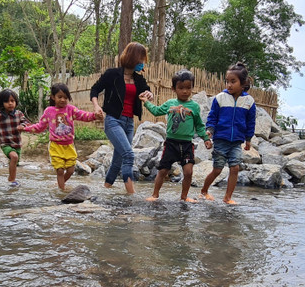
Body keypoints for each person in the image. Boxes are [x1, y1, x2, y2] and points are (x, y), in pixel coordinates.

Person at [90, 42, 153, 194]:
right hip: (113, 121)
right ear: (133, 57)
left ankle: (105, 190)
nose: (143, 63)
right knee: (128, 155)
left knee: (118, 161)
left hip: (129, 123)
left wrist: (149, 95)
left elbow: (147, 91)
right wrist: (96, 106)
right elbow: (95, 89)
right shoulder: (112, 74)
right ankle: (131, 196)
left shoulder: (139, 79)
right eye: (141, 59)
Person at [140, 69, 211, 202]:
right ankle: (155, 195)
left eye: (188, 88)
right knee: (162, 171)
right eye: (181, 88)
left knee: (189, 172)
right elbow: (156, 111)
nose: (185, 91)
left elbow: (199, 125)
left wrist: (206, 138)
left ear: (192, 88)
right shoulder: (170, 104)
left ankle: (184, 197)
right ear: (174, 89)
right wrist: (146, 102)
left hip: (187, 145)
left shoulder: (194, 107)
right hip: (171, 144)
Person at [199, 62, 256, 205]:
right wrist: (210, 130)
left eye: (233, 81)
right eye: (227, 81)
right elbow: (212, 117)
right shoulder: (220, 98)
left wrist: (248, 139)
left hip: (236, 141)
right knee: (217, 170)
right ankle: (204, 191)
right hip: (221, 140)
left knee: (235, 168)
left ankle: (227, 197)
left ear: (243, 83)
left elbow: (250, 122)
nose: (229, 85)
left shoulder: (249, 101)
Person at [24, 83, 99, 191]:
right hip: (55, 146)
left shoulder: (71, 109)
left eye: (65, 97)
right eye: (60, 97)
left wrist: (94, 116)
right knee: (59, 170)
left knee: (71, 170)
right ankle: (62, 191)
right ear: (53, 97)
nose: (63, 100)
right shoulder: (49, 111)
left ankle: (60, 184)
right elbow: (40, 126)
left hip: (69, 146)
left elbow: (83, 115)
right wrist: (26, 128)